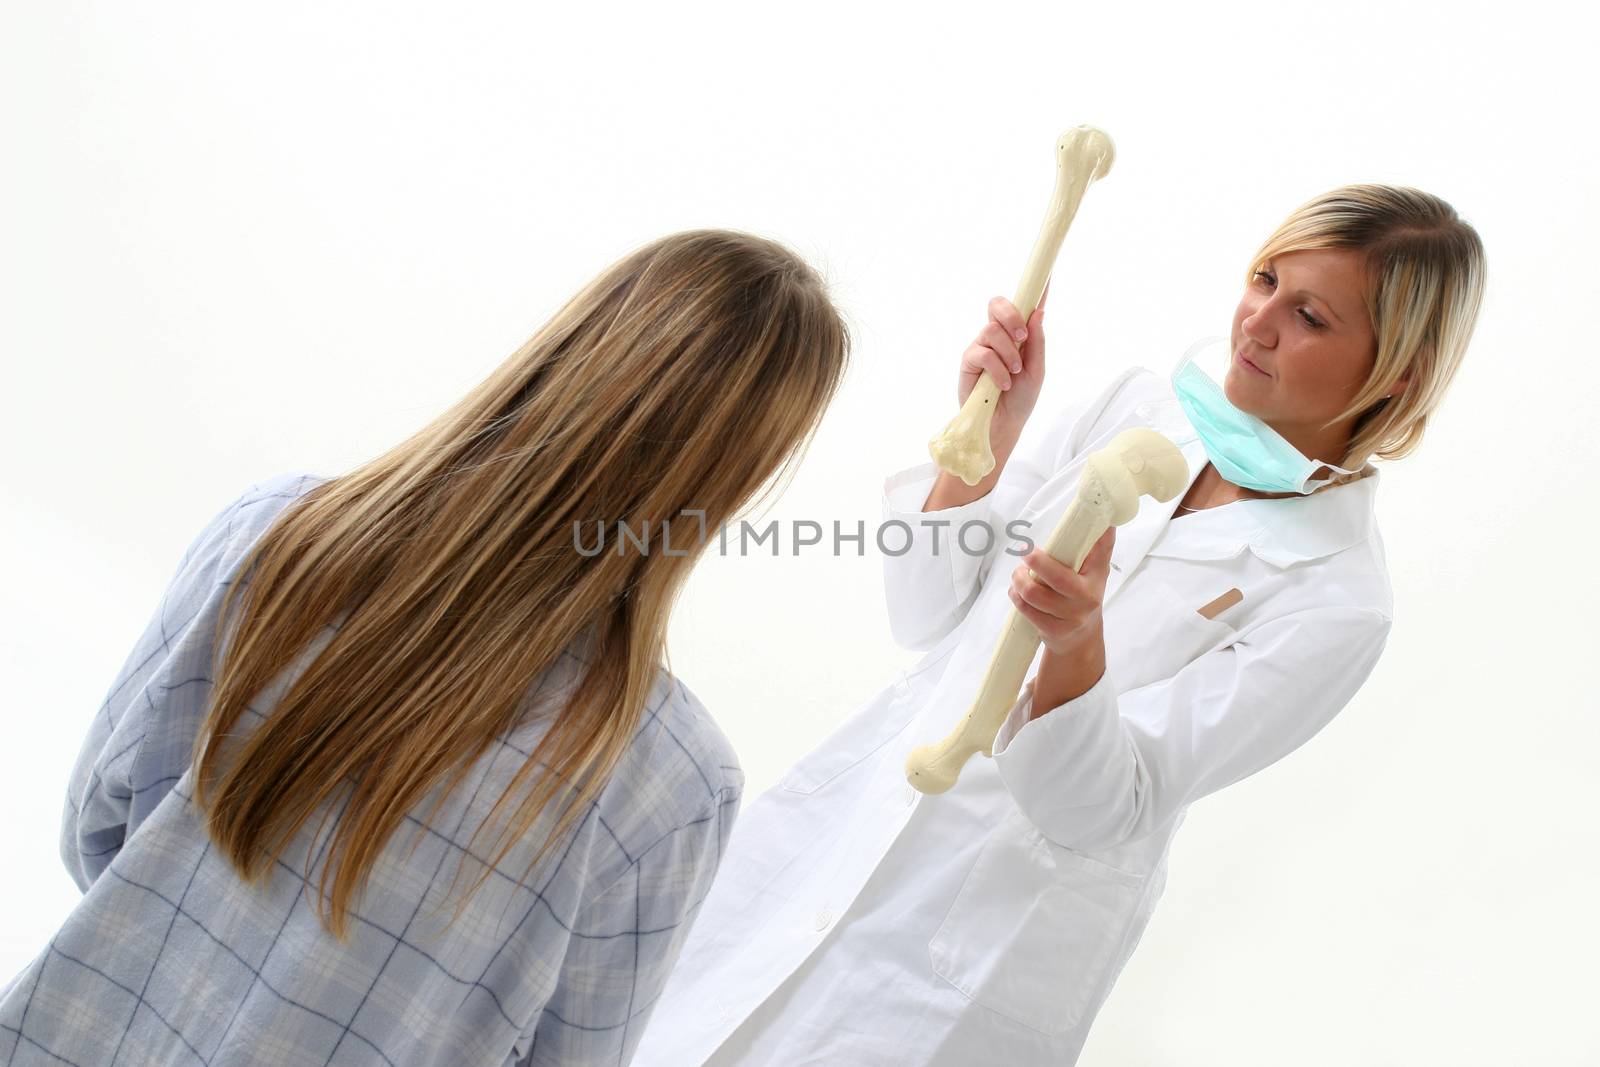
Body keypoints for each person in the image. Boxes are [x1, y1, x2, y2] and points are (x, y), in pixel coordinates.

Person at [630, 184, 1486, 1065]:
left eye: (1307, 315)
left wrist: (1077, 643)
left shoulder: (1337, 601)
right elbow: (922, 611)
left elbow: (1106, 805)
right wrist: (983, 444)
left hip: (976, 949)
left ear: (1400, 372)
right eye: (1263, 279)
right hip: (841, 835)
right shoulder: (1135, 408)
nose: (1256, 324)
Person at [0, 229, 851, 1066]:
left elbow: (98, 825)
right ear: (735, 476)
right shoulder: (674, 781)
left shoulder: (274, 535)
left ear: (568, 349)